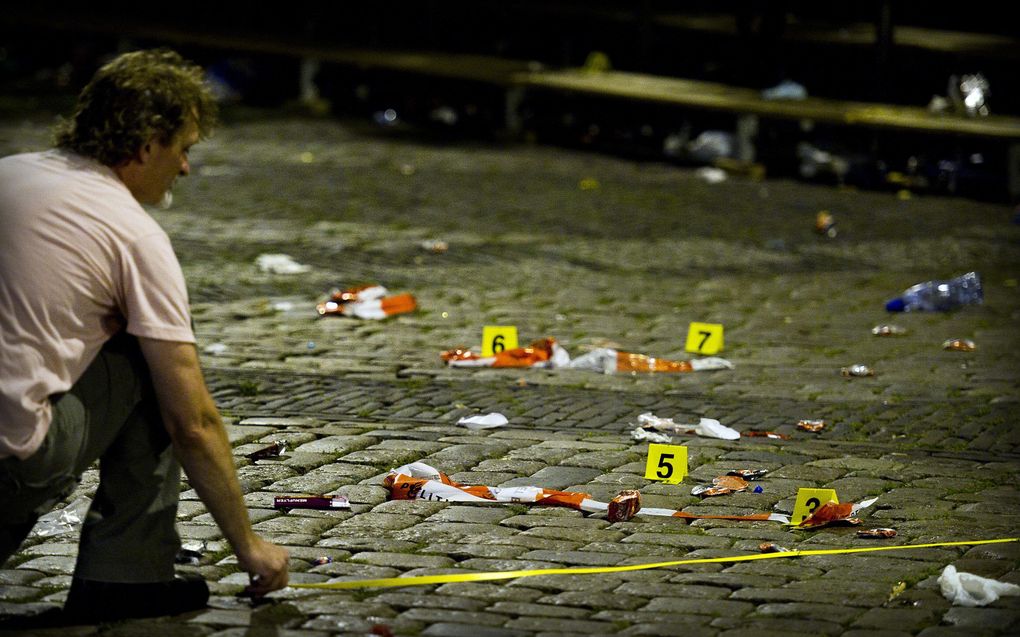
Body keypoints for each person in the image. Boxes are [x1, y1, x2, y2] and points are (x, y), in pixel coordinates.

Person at [0, 48, 289, 623]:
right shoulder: (130, 232)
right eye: (183, 148)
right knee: (148, 358)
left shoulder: (10, 171)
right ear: (147, 143)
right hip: (7, 462)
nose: (184, 167)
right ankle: (127, 574)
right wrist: (250, 548)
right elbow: (193, 421)